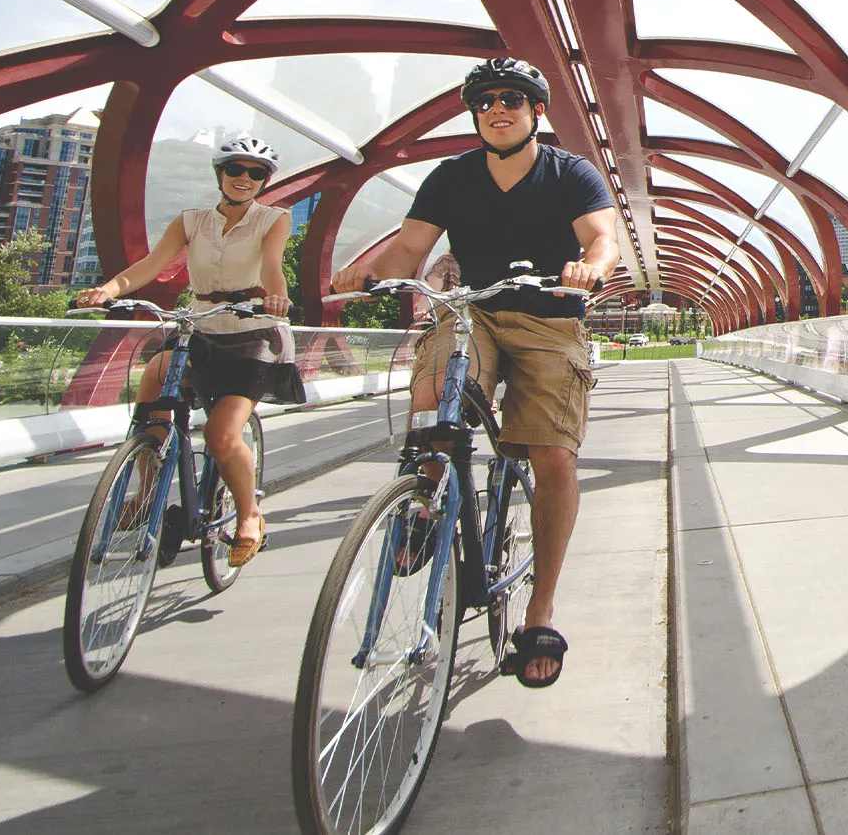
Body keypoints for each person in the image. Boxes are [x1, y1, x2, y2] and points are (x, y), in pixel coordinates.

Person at [333, 56, 620, 687]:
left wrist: (589, 265)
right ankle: (425, 498)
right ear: (475, 113)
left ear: (536, 111)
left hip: (549, 315)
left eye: (512, 99)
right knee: (436, 400)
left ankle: (539, 610)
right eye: (486, 100)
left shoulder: (569, 172)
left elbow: (602, 238)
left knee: (552, 458)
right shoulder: (453, 177)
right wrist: (369, 272)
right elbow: (411, 247)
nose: (498, 108)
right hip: (474, 312)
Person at [77, 135, 298, 566]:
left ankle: (249, 515)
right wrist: (107, 290)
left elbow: (273, 264)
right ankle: (146, 485)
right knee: (154, 385)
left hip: (253, 331)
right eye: (236, 169)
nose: (244, 178)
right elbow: (149, 265)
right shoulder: (191, 220)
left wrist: (277, 296)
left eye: (256, 173)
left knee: (221, 435)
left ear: (264, 181)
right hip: (200, 322)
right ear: (220, 174)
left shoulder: (274, 218)